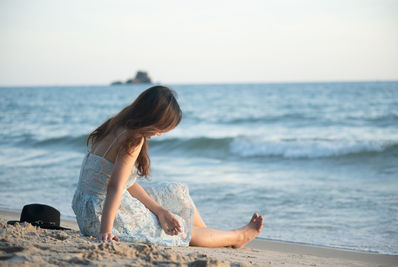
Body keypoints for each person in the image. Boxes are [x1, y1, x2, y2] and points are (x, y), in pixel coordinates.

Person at [72, 85, 263, 248]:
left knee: (177, 192)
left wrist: (160, 211)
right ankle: (237, 237)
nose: (160, 134)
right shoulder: (133, 139)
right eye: (159, 128)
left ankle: (212, 237)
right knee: (180, 231)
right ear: (150, 117)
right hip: (102, 217)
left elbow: (123, 183)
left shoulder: (113, 125)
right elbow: (114, 187)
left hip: (87, 210)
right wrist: (106, 231)